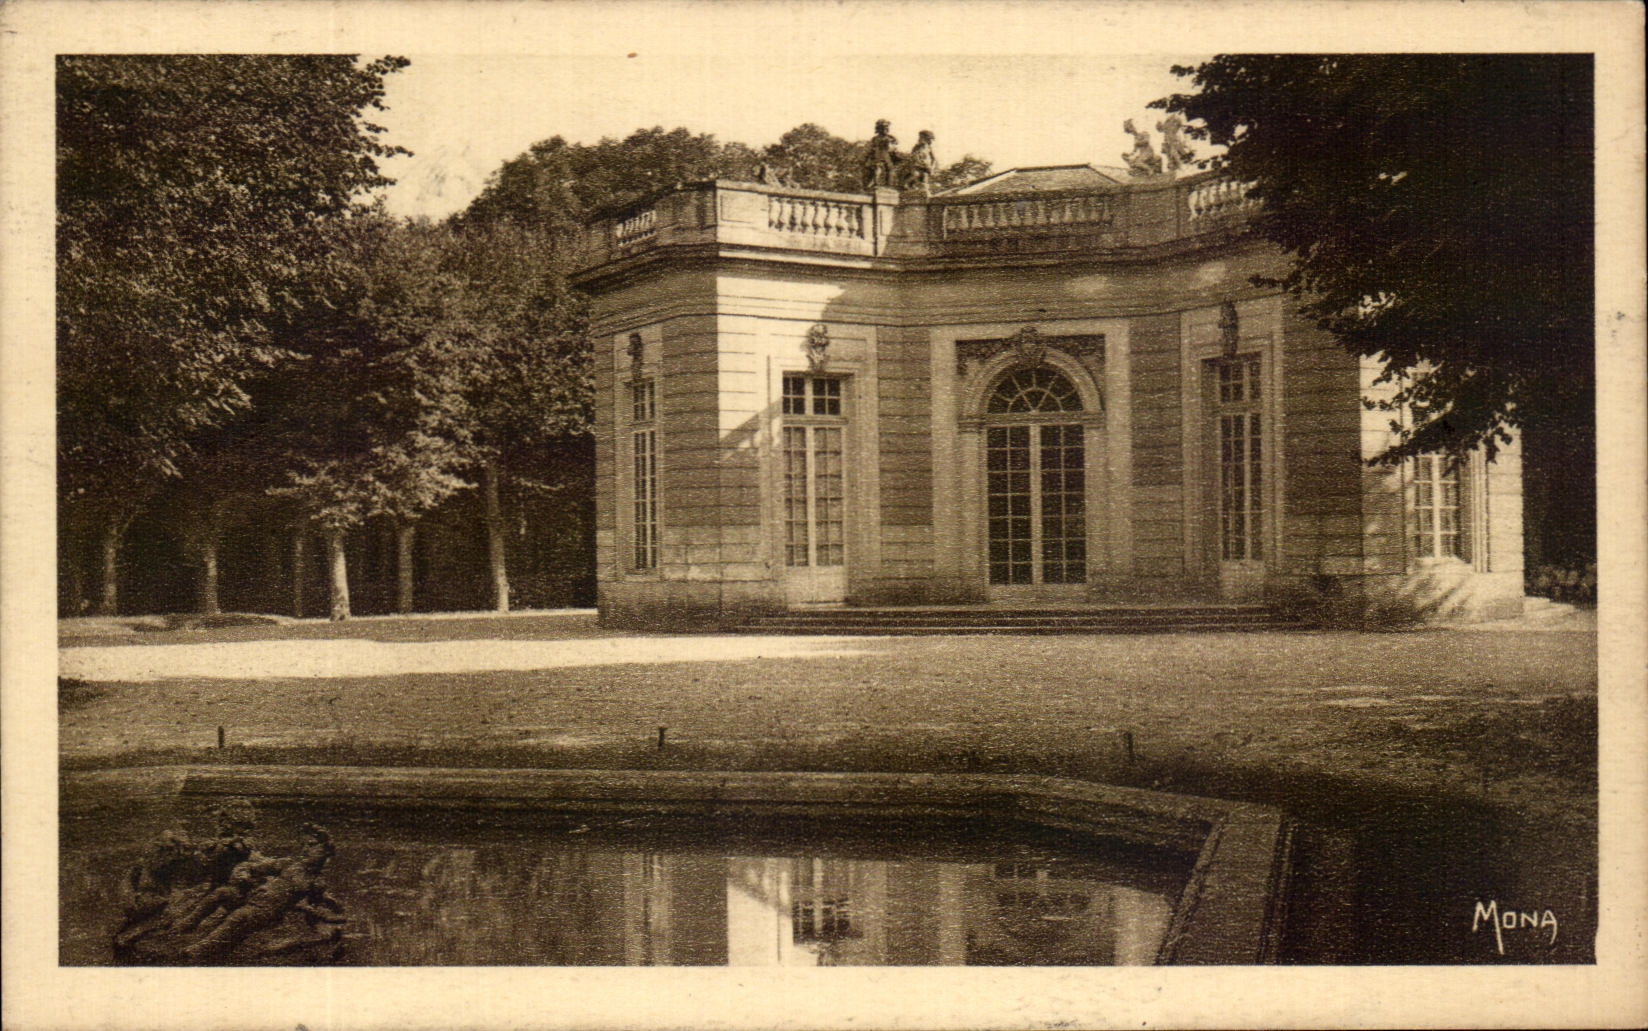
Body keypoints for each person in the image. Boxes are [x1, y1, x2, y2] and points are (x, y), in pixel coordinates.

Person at [861, 119, 900, 189]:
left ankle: (888, 185)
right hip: (878, 155)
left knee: (890, 169)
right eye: (883, 127)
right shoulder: (875, 139)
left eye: (887, 127)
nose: (886, 129)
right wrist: (865, 157)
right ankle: (875, 183)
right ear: (879, 129)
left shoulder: (891, 138)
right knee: (876, 168)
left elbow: (895, 146)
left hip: (887, 155)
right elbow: (869, 148)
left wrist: (894, 151)